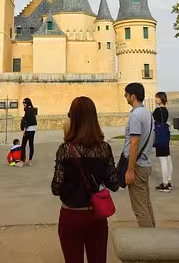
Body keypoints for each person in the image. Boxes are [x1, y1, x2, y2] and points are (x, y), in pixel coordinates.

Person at [52, 96, 119, 263]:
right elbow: (114, 184)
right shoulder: (104, 149)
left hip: (71, 215)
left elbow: (56, 188)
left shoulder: (65, 150)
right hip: (96, 216)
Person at [122, 82, 155, 227]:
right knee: (146, 204)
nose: (125, 97)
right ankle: (154, 234)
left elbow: (134, 143)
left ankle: (149, 243)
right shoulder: (148, 113)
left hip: (137, 165)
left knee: (140, 208)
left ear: (133, 96)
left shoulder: (136, 116)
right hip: (145, 162)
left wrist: (129, 170)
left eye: (126, 94)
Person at [152, 92, 173, 192]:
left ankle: (165, 185)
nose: (155, 99)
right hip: (165, 134)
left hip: (160, 135)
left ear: (161, 99)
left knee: (162, 161)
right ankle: (168, 182)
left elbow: (152, 121)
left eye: (156, 98)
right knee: (168, 158)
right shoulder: (165, 110)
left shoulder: (157, 110)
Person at [20, 98, 37, 166]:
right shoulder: (32, 109)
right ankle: (30, 161)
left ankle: (22, 161)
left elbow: (28, 121)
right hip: (33, 129)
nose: (23, 105)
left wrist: (24, 130)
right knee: (31, 145)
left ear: (27, 103)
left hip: (28, 130)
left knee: (23, 145)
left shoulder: (28, 110)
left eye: (24, 103)